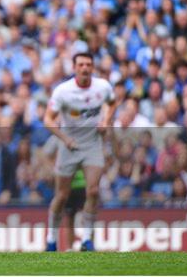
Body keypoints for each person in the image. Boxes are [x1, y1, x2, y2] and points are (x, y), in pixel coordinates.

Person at [44, 53, 117, 251]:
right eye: (81, 64)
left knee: (93, 190)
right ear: (74, 68)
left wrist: (105, 121)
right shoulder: (63, 91)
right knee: (61, 195)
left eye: (88, 64)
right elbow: (48, 120)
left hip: (92, 143)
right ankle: (51, 239)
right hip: (69, 145)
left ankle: (86, 239)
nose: (85, 68)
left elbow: (112, 102)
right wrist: (65, 139)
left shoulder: (102, 87)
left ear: (92, 67)